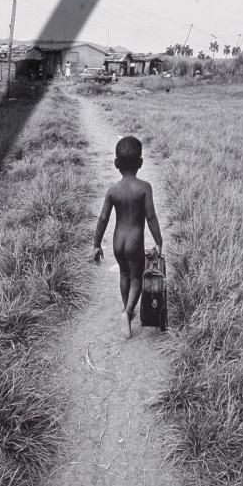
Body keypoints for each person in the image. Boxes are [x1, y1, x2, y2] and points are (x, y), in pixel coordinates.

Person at [91, 136, 164, 339]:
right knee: (137, 278)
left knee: (124, 275)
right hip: (134, 243)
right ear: (141, 163)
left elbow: (103, 219)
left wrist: (96, 245)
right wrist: (158, 241)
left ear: (116, 164)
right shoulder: (144, 188)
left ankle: (126, 310)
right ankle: (128, 312)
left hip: (117, 242)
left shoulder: (113, 190)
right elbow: (151, 217)